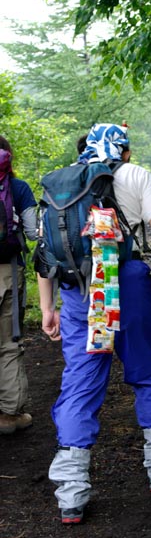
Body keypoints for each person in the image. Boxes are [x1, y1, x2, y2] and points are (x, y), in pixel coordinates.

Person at [37, 123, 151, 524]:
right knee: (146, 368)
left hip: (79, 291)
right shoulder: (134, 174)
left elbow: (46, 253)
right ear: (125, 150)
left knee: (81, 381)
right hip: (125, 282)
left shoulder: (62, 185)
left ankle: (71, 491)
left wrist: (48, 307)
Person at [0, 136, 37, 434]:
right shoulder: (19, 188)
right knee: (8, 345)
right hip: (8, 273)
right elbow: (33, 232)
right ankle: (9, 416)